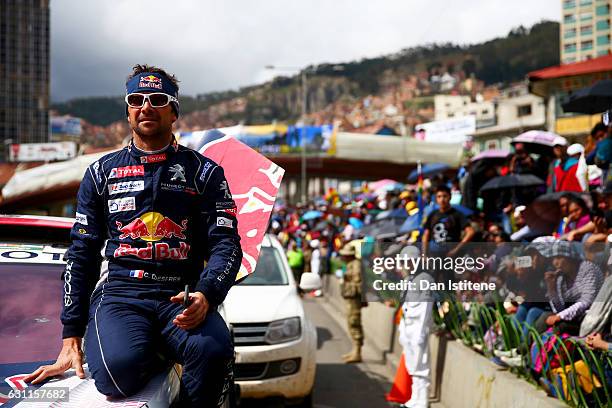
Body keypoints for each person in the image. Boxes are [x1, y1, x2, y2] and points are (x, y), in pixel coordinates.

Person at [24, 65, 242, 407]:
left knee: (213, 349)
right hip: (122, 293)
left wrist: (207, 293)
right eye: (136, 99)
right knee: (116, 376)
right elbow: (81, 255)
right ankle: (151, 348)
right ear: (127, 112)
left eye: (157, 99)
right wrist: (71, 336)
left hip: (179, 294)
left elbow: (226, 243)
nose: (146, 106)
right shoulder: (100, 172)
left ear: (173, 111)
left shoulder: (205, 172)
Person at [535, 241, 603, 335]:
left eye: (559, 258)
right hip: (575, 317)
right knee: (545, 316)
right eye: (553, 259)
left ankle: (547, 349)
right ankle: (522, 349)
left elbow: (587, 301)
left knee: (561, 326)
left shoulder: (588, 268)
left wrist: (560, 316)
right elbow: (559, 309)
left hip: (591, 318)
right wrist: (551, 288)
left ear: (570, 258)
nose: (555, 263)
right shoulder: (561, 277)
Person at [397, 245, 434, 408]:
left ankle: (422, 400)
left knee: (421, 365)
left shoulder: (425, 279)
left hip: (418, 326)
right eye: (405, 261)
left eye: (410, 261)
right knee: (412, 364)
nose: (407, 264)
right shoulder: (409, 278)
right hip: (408, 324)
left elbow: (426, 307)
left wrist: (420, 332)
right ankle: (415, 398)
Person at [422, 185, 475, 270]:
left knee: (449, 280)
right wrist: (424, 254)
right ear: (436, 199)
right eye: (439, 197)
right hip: (435, 254)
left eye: (445, 196)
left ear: (450, 197)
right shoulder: (432, 215)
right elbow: (426, 234)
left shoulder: (457, 214)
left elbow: (470, 231)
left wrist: (457, 249)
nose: (442, 199)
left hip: (450, 255)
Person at [339, 244, 364, 363]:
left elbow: (358, 284)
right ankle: (355, 350)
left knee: (354, 323)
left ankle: (357, 352)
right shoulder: (350, 265)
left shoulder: (356, 266)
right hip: (351, 298)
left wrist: (346, 284)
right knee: (351, 323)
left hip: (355, 299)